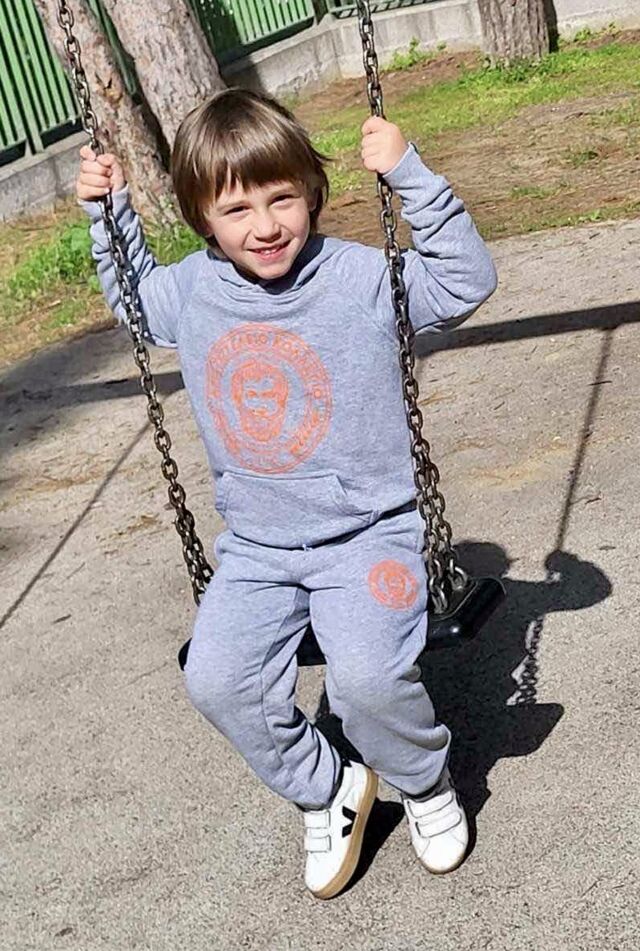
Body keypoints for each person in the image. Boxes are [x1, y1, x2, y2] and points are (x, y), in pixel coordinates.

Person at [77, 87, 497, 900]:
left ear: (311, 191)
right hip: (257, 548)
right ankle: (327, 787)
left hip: (368, 535)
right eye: (237, 209)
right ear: (202, 216)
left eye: (282, 199)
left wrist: (408, 172)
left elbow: (465, 280)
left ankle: (423, 781)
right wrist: (109, 210)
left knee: (366, 685)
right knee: (217, 680)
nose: (265, 226)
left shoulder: (358, 278)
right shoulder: (193, 290)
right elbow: (132, 299)